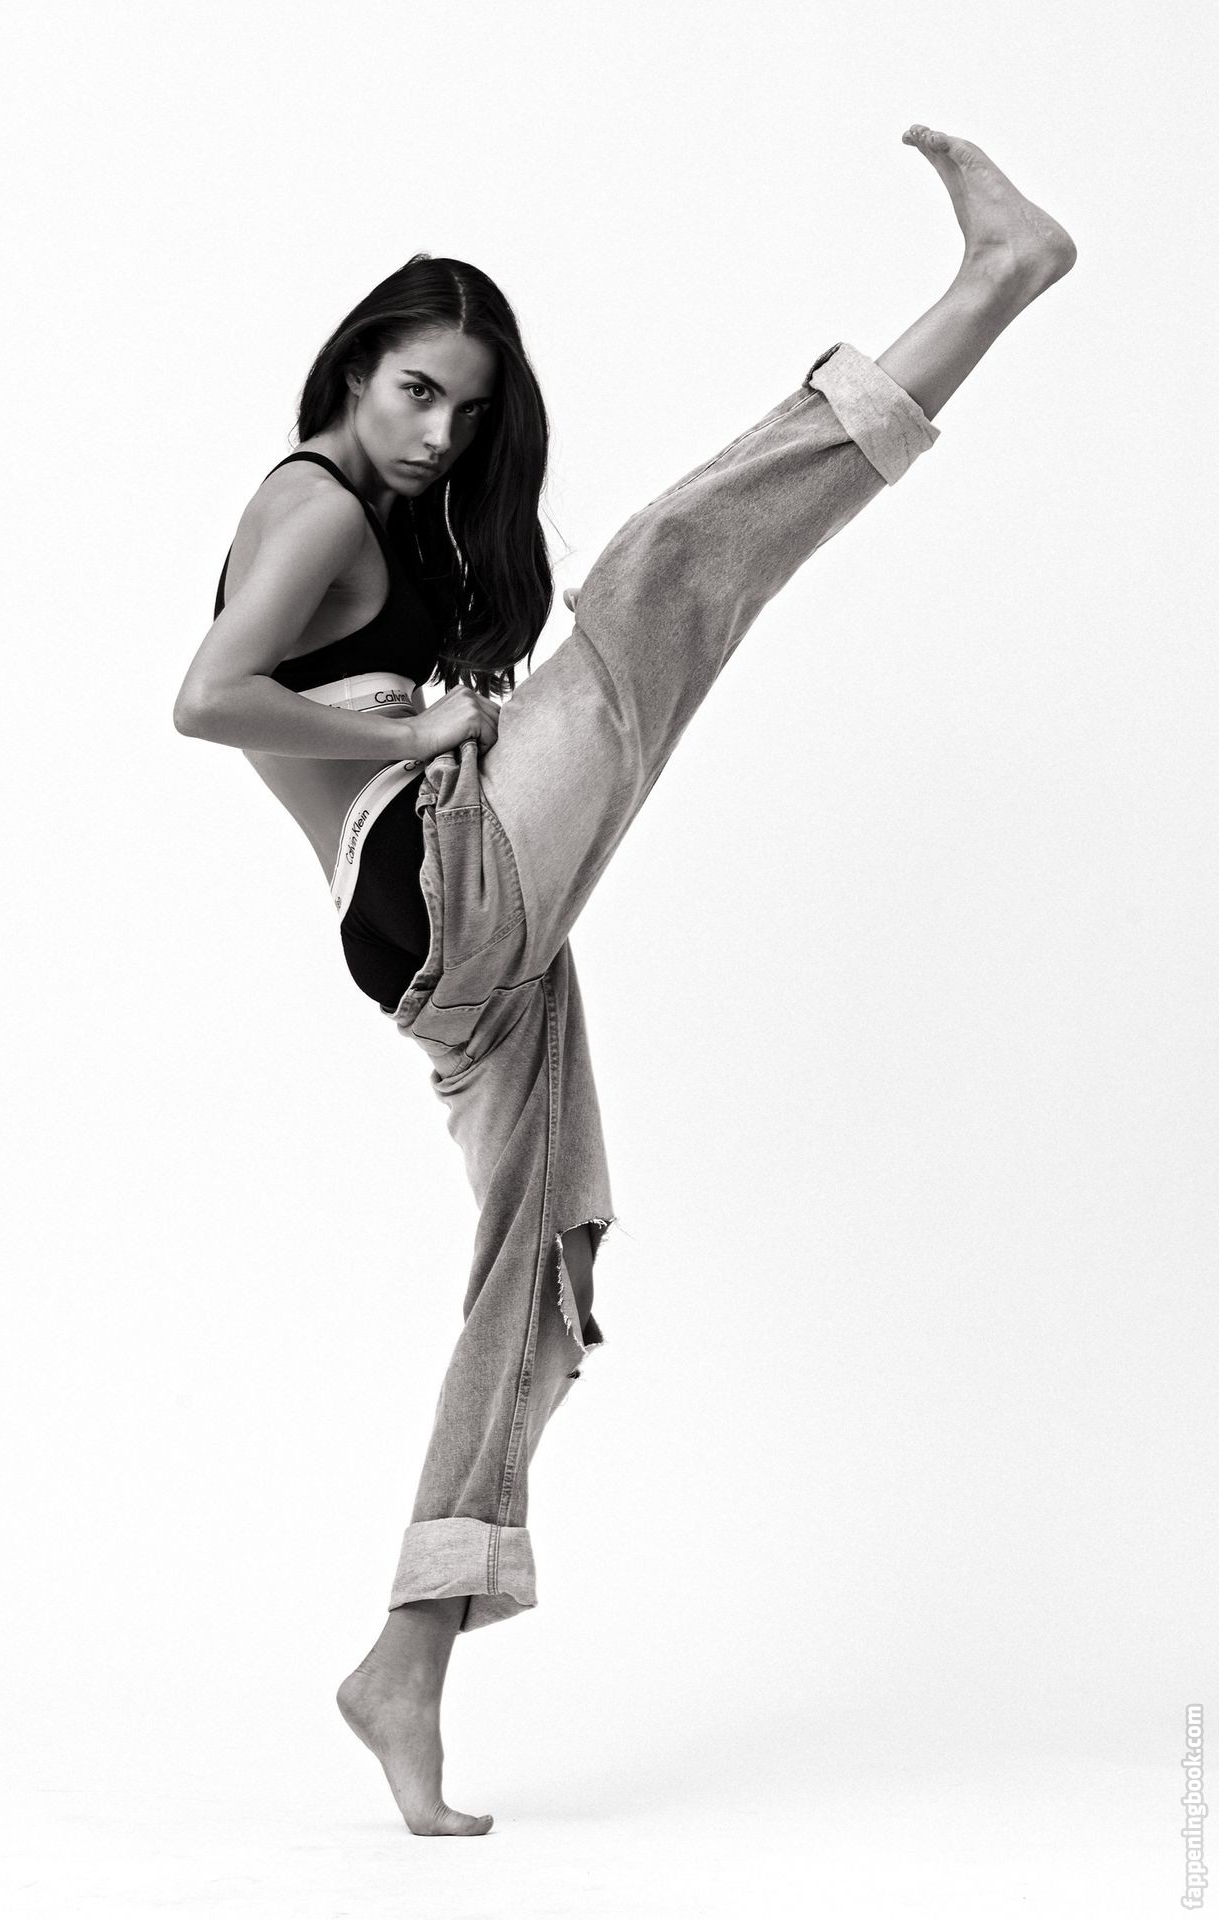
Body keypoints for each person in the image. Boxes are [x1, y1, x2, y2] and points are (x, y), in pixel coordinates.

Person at [172, 125, 1076, 1836]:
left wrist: (423, 714)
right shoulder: (311, 500)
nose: (438, 436)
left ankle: (406, 1664)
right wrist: (424, 730)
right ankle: (997, 279)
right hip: (442, 884)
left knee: (545, 1268)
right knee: (674, 570)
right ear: (355, 366)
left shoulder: (378, 507)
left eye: (467, 414)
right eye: (416, 392)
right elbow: (204, 697)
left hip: (446, 945)